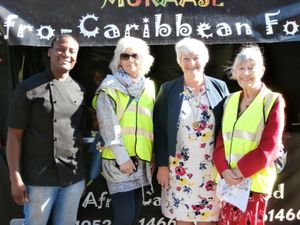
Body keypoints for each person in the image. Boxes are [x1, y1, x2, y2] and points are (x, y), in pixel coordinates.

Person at [6, 35, 86, 225]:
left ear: (76, 57)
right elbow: (14, 135)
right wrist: (15, 177)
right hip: (38, 179)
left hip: (73, 178)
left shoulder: (79, 90)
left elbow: (78, 137)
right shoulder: (27, 88)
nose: (66, 54)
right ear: (50, 52)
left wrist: (81, 179)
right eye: (61, 48)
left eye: (72, 51)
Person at [154, 37, 229, 225]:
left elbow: (228, 129)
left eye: (195, 57)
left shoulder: (219, 87)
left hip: (211, 169)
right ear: (179, 61)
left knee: (209, 220)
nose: (191, 63)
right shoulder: (168, 89)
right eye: (185, 58)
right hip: (179, 169)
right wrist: (162, 165)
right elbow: (160, 131)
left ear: (204, 60)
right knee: (183, 220)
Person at [213, 45, 285, 225]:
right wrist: (225, 171)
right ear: (234, 73)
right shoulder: (230, 100)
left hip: (253, 183)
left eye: (251, 67)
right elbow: (221, 140)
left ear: (261, 70)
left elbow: (270, 147)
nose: (245, 73)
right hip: (229, 183)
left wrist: (239, 172)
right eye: (241, 68)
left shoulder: (272, 100)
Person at [95, 36, 155, 225]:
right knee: (124, 218)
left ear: (143, 58)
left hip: (142, 163)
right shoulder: (109, 87)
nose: (130, 60)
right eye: (125, 56)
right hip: (118, 162)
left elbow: (151, 125)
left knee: (134, 217)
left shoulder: (149, 87)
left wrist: (152, 155)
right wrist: (123, 159)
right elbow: (107, 126)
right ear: (118, 60)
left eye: (135, 55)